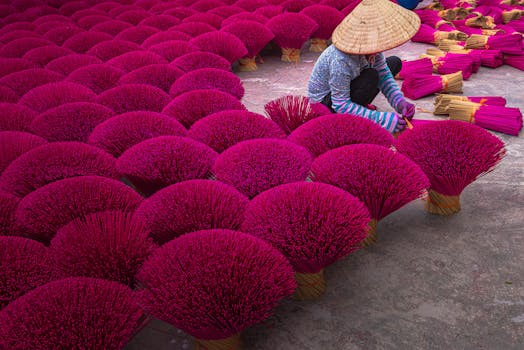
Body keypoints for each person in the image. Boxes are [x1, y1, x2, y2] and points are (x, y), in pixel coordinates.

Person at [308, 0, 421, 134]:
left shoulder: (373, 48)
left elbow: (384, 76)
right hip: (326, 104)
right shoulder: (341, 60)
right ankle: (358, 113)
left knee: (393, 63)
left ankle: (360, 109)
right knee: (371, 76)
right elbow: (340, 104)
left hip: (351, 85)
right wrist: (381, 119)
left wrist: (399, 101)